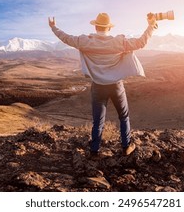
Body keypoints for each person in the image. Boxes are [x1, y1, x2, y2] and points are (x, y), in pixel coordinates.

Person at [48, 12, 158, 158]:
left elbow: (65, 38)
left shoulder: (85, 41)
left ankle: (95, 150)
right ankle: (126, 147)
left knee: (98, 120)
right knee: (123, 116)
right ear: (109, 28)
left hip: (98, 86)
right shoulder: (119, 42)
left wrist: (53, 27)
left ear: (96, 27)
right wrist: (150, 26)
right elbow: (141, 42)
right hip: (116, 86)